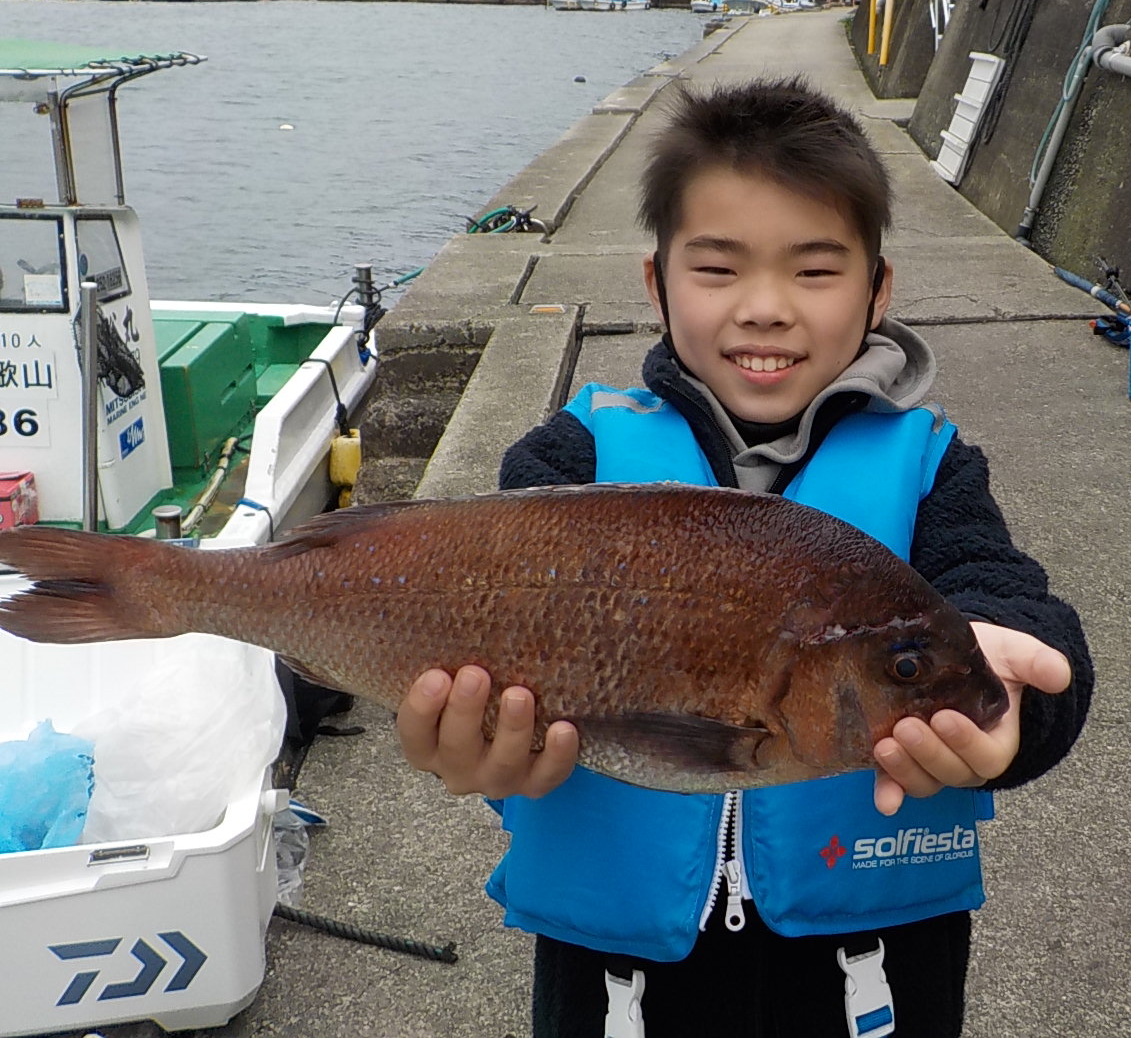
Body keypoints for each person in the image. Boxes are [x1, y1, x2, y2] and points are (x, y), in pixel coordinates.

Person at [396, 76, 1094, 1037]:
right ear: (656, 284)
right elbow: (469, 628)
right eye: (718, 270)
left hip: (876, 976)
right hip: (617, 986)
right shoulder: (573, 459)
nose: (765, 309)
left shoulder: (932, 467)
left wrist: (1015, 700)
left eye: (815, 271)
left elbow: (1008, 603)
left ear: (878, 289)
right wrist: (470, 746)